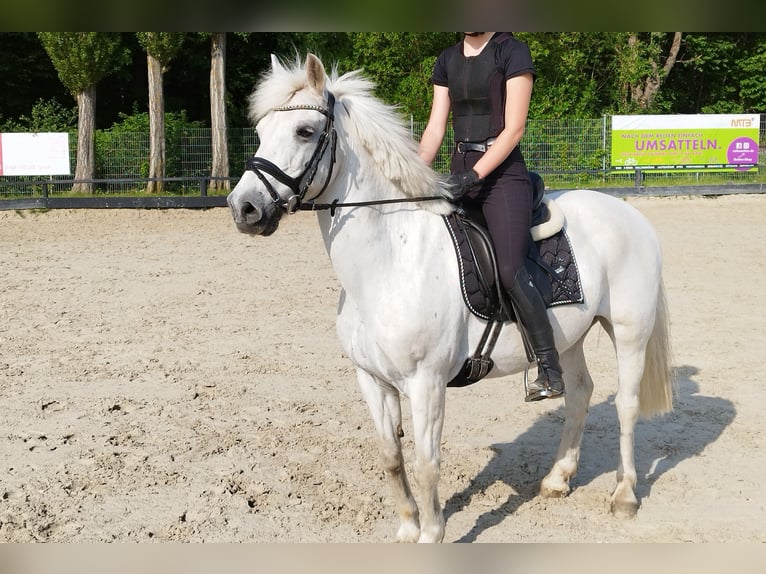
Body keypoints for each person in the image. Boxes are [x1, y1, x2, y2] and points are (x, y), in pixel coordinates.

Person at [417, 32, 564, 402]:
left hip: (502, 177)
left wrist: (476, 174)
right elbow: (436, 127)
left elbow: (514, 128)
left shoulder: (511, 51)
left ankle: (549, 367)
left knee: (508, 269)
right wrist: (414, 173)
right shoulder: (447, 58)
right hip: (457, 172)